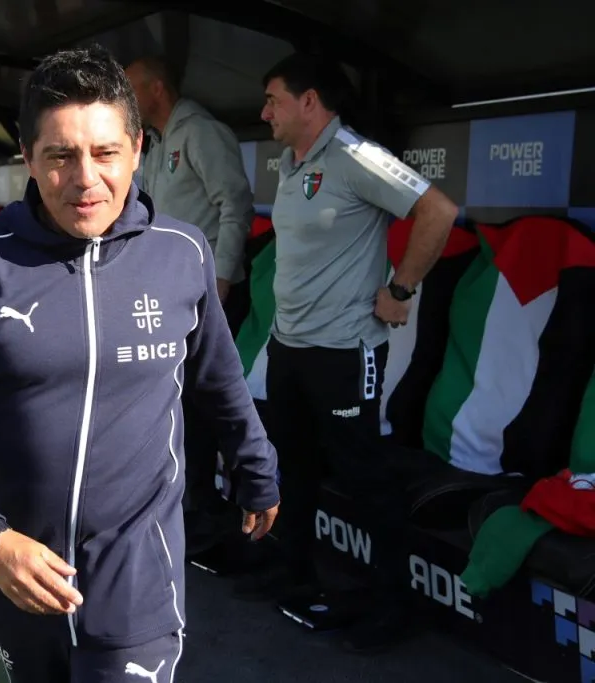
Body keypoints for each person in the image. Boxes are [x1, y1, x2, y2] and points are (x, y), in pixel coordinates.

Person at [0, 46, 280, 682]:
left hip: (139, 583)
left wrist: (256, 465)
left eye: (105, 153)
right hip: (21, 578)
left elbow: (216, 376)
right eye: (61, 156)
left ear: (137, 148)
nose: (86, 179)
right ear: (28, 158)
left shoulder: (182, 253)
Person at [249, 53, 457, 652]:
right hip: (290, 347)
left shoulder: (355, 156)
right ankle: (294, 574)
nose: (265, 112)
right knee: (296, 466)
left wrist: (400, 289)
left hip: (344, 350)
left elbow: (437, 211)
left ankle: (391, 607)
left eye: (273, 100)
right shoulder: (292, 162)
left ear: (309, 101)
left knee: (366, 477)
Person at [124, 55, 257, 556]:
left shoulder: (201, 131)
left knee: (210, 404)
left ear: (157, 89)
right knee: (180, 406)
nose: (127, 99)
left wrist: (220, 278)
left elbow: (235, 205)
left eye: (133, 89)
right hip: (167, 295)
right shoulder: (155, 144)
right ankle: (195, 510)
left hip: (212, 294)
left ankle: (226, 520)